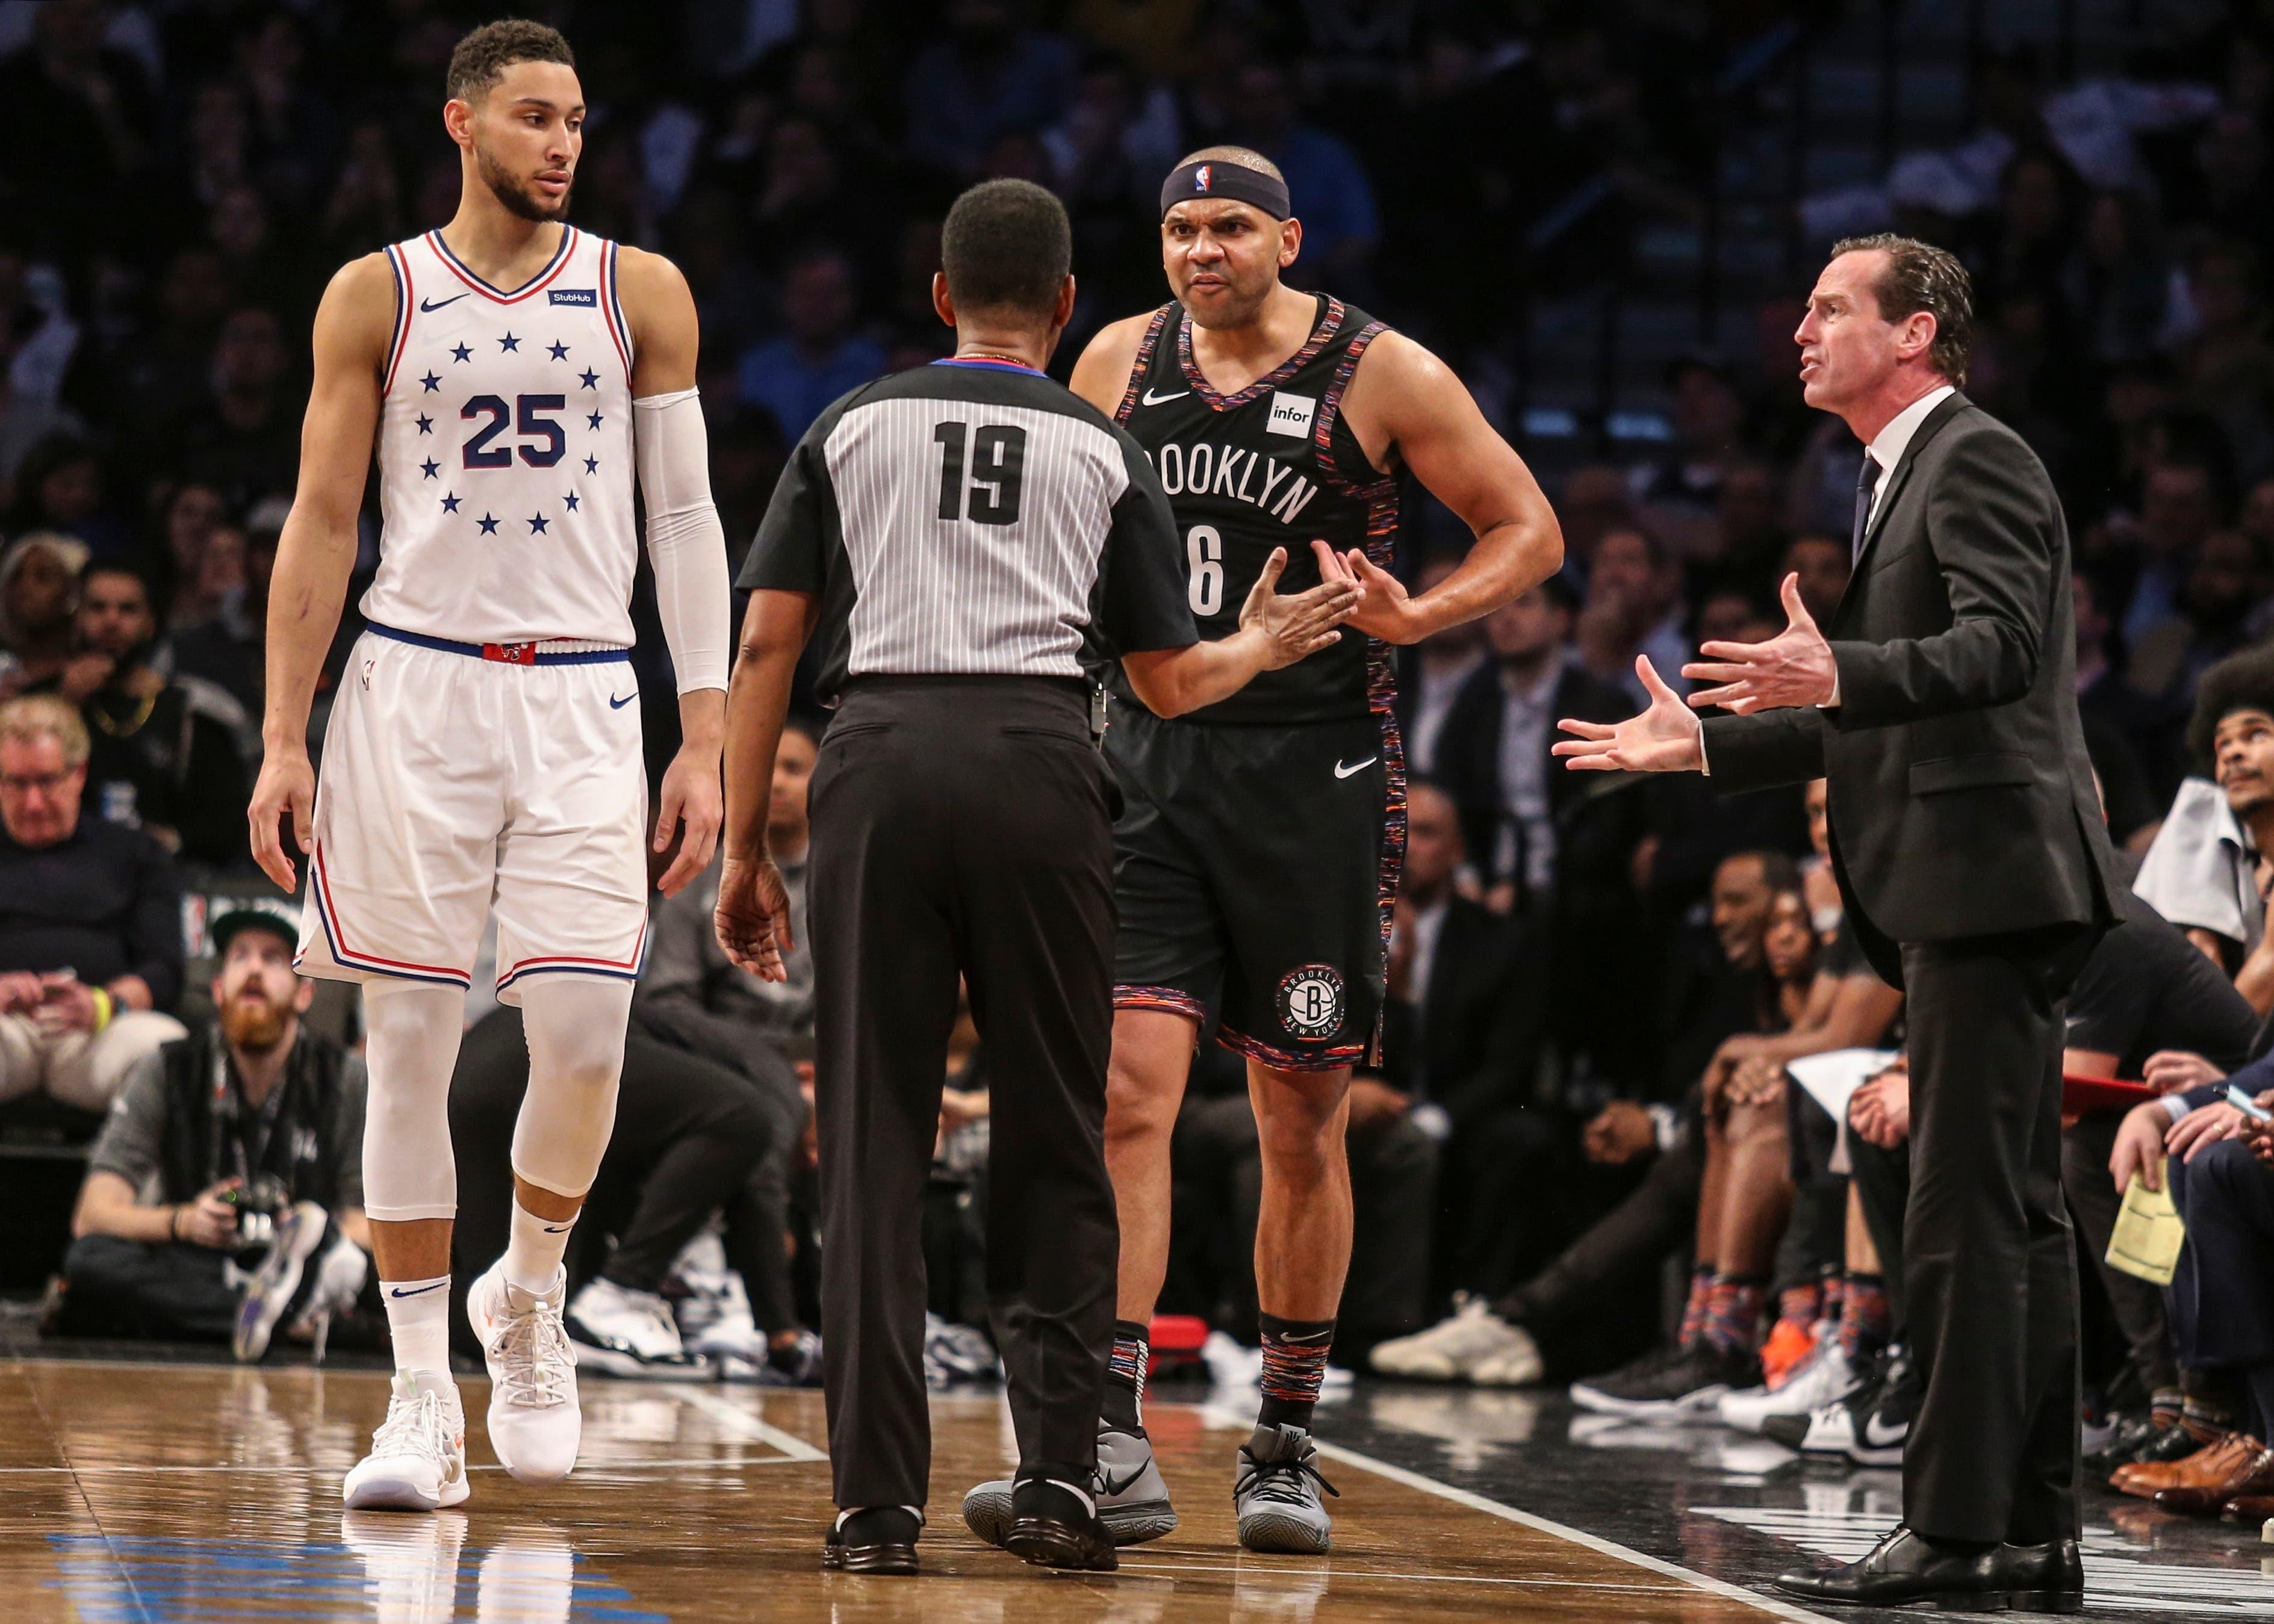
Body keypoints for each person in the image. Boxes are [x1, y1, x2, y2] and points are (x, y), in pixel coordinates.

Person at [719, 176, 1358, 1575]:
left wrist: (738, 847)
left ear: (937, 296)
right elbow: (1167, 681)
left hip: (876, 762)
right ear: (1069, 305)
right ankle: (1064, 1483)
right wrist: (1260, 644)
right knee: (1061, 1138)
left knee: (875, 1144)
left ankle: (873, 1506)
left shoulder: (848, 424)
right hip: (1040, 769)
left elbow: (765, 648)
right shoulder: (1101, 439)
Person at [985, 143, 1560, 1560]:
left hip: (1314, 784)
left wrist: (1419, 616)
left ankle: (1287, 1435)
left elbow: (1528, 531)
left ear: (1287, 238)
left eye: (1229, 226)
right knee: (1127, 1098)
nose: (1200, 250)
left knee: (1299, 1120)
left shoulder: (1381, 372)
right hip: (1150, 767)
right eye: (1178, 228)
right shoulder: (1115, 356)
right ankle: (1108, 1435)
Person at [1558, 234, 2123, 1611]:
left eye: (1827, 308)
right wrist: (1700, 749)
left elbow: (1998, 652)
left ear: (1914, 333)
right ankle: (2032, 1523)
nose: (1797, 331)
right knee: (2012, 1217)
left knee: (1958, 1222)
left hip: (1987, 884)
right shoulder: (1889, 474)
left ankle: (1951, 1525)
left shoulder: (1970, 455)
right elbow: (1868, 710)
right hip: (1967, 886)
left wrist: (1843, 662)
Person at [244, 20, 731, 1514]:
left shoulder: (635, 287)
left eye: (576, 119)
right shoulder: (374, 294)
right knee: (405, 1049)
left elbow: (686, 519)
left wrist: (703, 729)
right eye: (532, 117)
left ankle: (527, 1289)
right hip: (409, 692)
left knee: (585, 1033)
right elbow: (324, 521)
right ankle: (413, 1405)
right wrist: (282, 731)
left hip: (583, 691)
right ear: (460, 122)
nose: (562, 144)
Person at [60, 901, 371, 1361]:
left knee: (381, 1269)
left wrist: (300, 1230)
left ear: (305, 994)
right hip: (205, 1261)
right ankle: (288, 1318)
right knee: (91, 1260)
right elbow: (92, 1213)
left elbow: (373, 1226)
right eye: (240, 955)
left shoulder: (343, 1078)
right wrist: (184, 1221)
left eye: (273, 959)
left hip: (307, 1261)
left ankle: (278, 1306)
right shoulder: (169, 1069)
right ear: (220, 989)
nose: (254, 970)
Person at [1, 693, 187, 1112]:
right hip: (5, 1030)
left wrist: (105, 1003)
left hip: (98, 1031)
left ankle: (118, 1180)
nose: (32, 802)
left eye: (46, 781)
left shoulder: (136, 853)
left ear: (79, 773)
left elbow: (165, 969)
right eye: (15, 783)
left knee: (166, 1055)